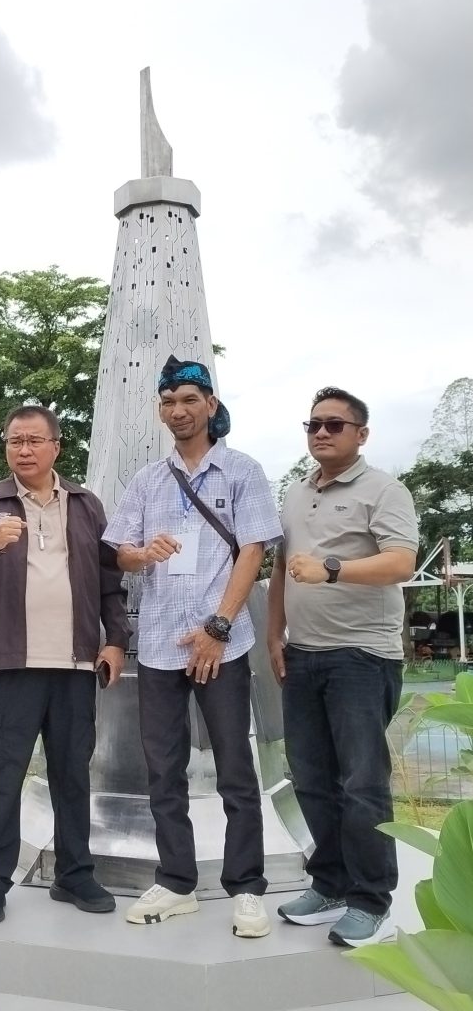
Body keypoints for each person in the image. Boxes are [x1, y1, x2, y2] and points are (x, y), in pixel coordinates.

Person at [103, 355, 281, 938]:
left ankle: (246, 886)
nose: (177, 411)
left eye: (188, 399)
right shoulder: (148, 480)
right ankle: (177, 881)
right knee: (163, 769)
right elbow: (120, 552)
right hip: (158, 644)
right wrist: (141, 554)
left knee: (235, 767)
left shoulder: (242, 471)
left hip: (220, 644)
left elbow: (253, 551)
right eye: (168, 402)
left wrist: (218, 626)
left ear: (210, 404)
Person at [0, 404, 130, 925]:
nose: (23, 450)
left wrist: (116, 640)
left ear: (56, 447)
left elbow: (109, 579)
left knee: (72, 773)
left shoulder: (85, 505)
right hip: (8, 664)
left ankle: (75, 874)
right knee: (0, 774)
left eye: (33, 441)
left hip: (74, 663)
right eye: (14, 441)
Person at [268, 386, 418, 948]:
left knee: (361, 784)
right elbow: (281, 568)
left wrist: (332, 568)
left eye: (335, 424)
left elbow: (400, 562)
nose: (322, 433)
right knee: (310, 778)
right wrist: (274, 634)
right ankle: (329, 884)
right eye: (313, 425)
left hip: (362, 656)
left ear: (362, 434)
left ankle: (371, 900)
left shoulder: (384, 489)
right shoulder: (295, 493)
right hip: (303, 655)